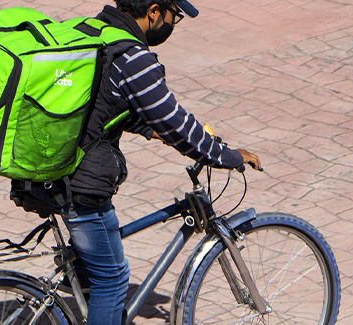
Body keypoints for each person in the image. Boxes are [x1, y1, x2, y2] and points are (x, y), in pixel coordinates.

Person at [30, 0, 264, 324]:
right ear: (154, 11)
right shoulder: (132, 58)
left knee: (92, 268)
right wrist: (227, 156)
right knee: (112, 281)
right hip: (79, 183)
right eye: (174, 15)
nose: (173, 23)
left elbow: (99, 104)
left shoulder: (92, 31)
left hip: (46, 168)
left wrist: (149, 129)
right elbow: (177, 124)